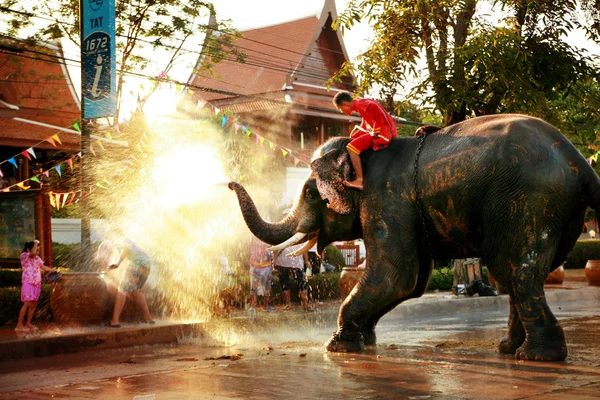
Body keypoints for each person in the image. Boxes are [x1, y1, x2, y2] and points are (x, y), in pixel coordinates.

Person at [333, 91, 398, 190]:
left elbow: (376, 111)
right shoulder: (361, 104)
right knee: (352, 140)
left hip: (383, 134)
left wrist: (378, 132)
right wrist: (355, 136)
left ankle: (359, 180)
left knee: (351, 148)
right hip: (379, 131)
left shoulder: (365, 105)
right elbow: (366, 125)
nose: (342, 111)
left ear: (345, 104)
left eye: (340, 109)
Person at [102, 237, 154, 327]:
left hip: (137, 265)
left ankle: (115, 321)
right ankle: (149, 318)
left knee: (122, 289)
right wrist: (118, 264)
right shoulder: (133, 241)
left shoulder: (120, 240)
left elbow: (124, 251)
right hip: (147, 265)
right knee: (135, 291)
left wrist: (117, 264)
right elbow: (128, 252)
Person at [15, 240, 56, 332]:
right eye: (36, 249)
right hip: (28, 283)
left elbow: (44, 267)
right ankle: (19, 324)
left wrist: (52, 270)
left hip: (36, 284)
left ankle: (28, 323)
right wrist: (35, 242)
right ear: (28, 249)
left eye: (38, 250)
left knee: (33, 305)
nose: (37, 252)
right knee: (27, 304)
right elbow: (32, 253)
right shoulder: (24, 256)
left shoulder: (37, 258)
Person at [274, 244, 313, 312]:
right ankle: (296, 305)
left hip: (293, 264)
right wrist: (306, 262)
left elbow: (304, 248)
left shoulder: (282, 234)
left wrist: (306, 262)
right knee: (296, 285)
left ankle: (302, 305)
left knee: (301, 285)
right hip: (287, 263)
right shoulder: (296, 234)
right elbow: (276, 247)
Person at [248, 236, 274, 313]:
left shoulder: (268, 236)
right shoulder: (253, 236)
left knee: (267, 287)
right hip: (255, 266)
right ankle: (252, 307)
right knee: (254, 287)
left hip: (267, 267)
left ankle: (265, 307)